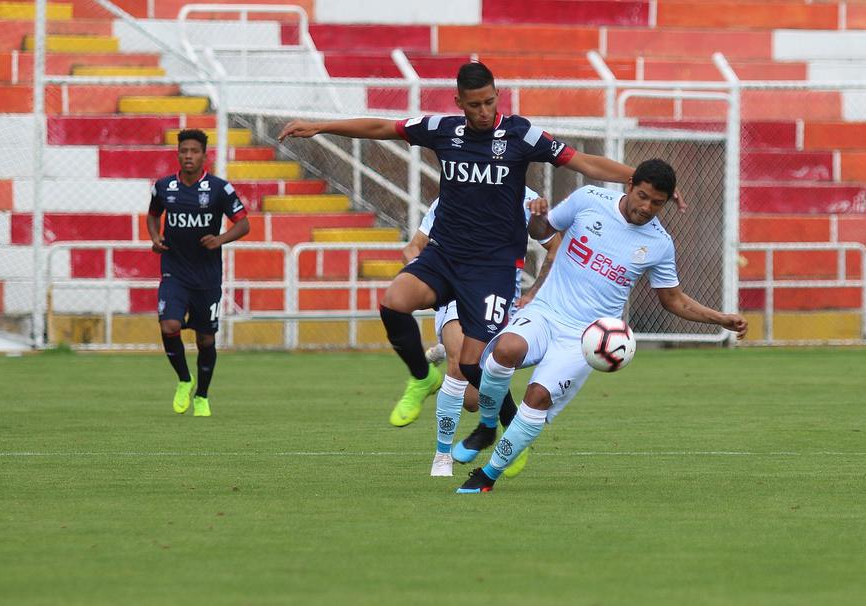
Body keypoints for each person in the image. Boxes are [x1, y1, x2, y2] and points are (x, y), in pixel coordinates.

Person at [279, 62, 637, 477]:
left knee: (473, 367)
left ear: (497, 95)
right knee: (394, 302)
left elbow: (582, 162)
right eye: (474, 105)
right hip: (446, 255)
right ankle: (421, 378)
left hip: (493, 268)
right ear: (459, 103)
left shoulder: (522, 134)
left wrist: (636, 177)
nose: (483, 111)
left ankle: (509, 435)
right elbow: (383, 127)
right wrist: (321, 126)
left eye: (489, 102)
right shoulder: (443, 129)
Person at [455, 159, 748, 493]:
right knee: (505, 351)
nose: (647, 207)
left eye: (657, 203)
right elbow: (542, 232)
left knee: (537, 397)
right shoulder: (589, 199)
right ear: (630, 185)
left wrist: (722, 318)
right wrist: (537, 216)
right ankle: (488, 425)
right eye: (642, 196)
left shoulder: (659, 244)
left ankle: (488, 476)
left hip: (586, 338)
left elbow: (674, 300)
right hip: (546, 311)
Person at [402, 186, 562, 477]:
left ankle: (443, 355)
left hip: (499, 300)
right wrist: (424, 276)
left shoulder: (527, 199)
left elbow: (556, 246)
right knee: (459, 367)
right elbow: (415, 246)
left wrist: (535, 292)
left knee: (473, 401)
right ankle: (442, 457)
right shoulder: (455, 192)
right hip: (455, 290)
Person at [147, 129, 250, 417]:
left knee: (205, 340)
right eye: (183, 151)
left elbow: (243, 224)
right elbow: (153, 216)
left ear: (205, 155)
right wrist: (155, 238)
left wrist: (220, 239)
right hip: (174, 272)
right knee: (169, 326)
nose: (188, 156)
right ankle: (184, 380)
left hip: (206, 278)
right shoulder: (164, 187)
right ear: (178, 154)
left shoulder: (219, 189)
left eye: (194, 151)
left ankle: (202, 395)